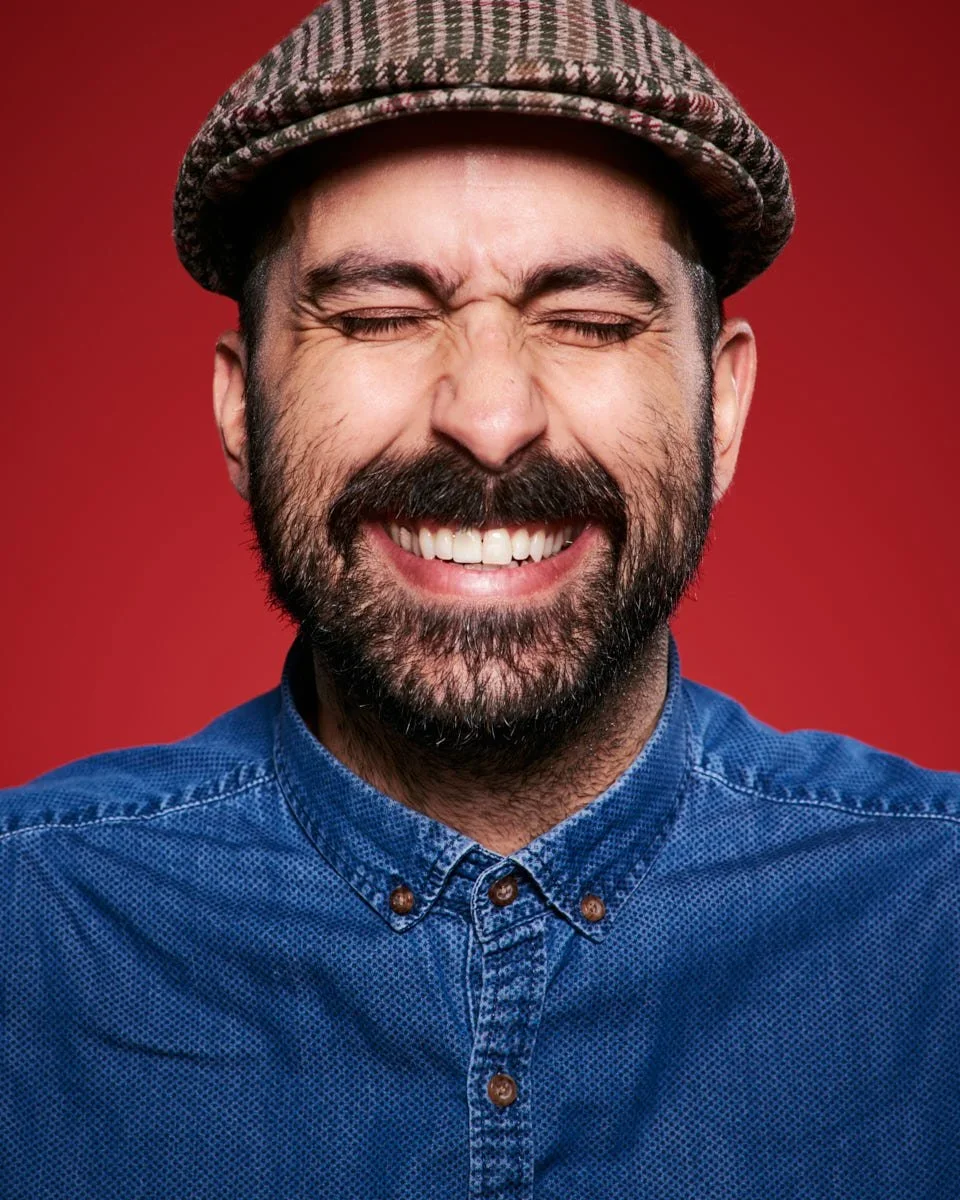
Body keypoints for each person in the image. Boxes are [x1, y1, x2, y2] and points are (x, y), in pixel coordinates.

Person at [1, 0, 956, 1195]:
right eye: (381, 317)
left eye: (592, 322)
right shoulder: (27, 926)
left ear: (724, 407)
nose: (491, 418)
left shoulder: (939, 921)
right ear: (243, 409)